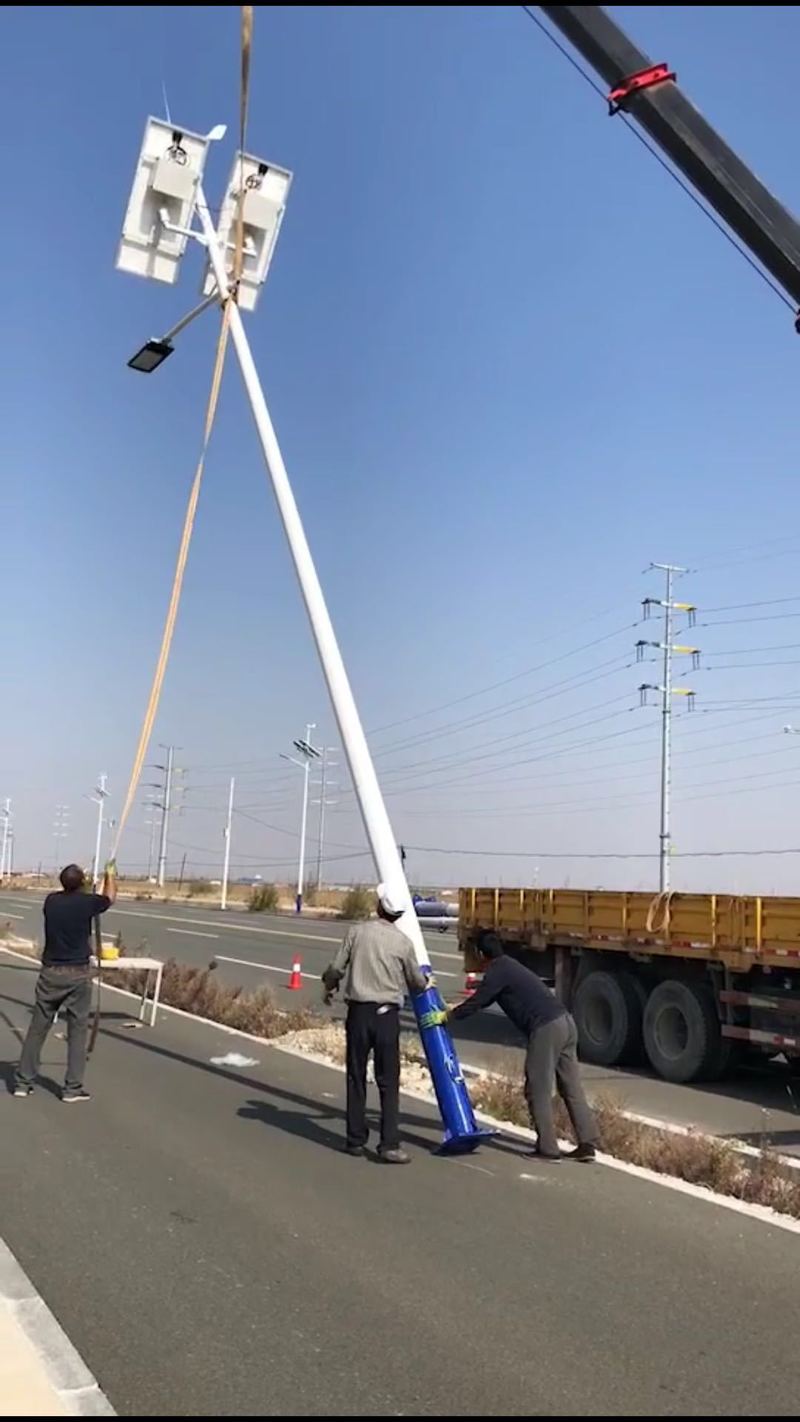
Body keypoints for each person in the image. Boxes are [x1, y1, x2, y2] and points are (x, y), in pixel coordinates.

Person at [448, 930, 597, 1162]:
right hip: (566, 1022)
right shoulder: (509, 966)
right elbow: (481, 997)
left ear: (480, 953)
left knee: (537, 1088)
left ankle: (548, 1149)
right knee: (571, 1086)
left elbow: (479, 1001)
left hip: (546, 1028)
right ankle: (587, 1145)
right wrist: (455, 1007)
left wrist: (448, 1016)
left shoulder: (496, 971)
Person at [322, 883, 428, 1163]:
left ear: (379, 907)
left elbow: (336, 968)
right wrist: (427, 983)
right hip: (387, 1017)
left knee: (356, 1076)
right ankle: (389, 1144)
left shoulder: (357, 932)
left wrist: (329, 984)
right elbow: (416, 982)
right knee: (388, 1080)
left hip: (358, 1014)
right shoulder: (403, 943)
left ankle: (355, 1140)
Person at [14, 860, 117, 1102]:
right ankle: (72, 1088)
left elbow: (89, 898)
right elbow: (109, 898)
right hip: (77, 974)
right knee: (77, 1030)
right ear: (81, 883)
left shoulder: (51, 901)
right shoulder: (87, 903)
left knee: (38, 1028)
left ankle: (22, 1082)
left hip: (50, 972)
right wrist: (110, 875)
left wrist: (92, 885)